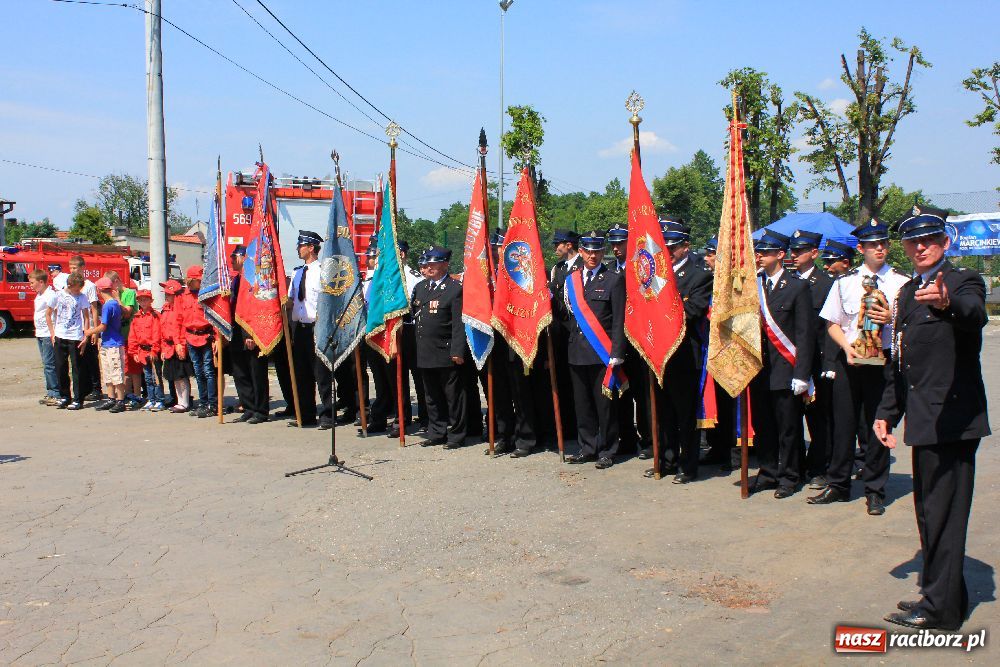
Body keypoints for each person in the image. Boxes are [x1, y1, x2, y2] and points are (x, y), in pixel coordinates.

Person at [873, 205, 990, 631]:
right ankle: (943, 596)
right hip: (923, 419)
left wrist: (946, 304)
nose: (920, 247)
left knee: (944, 515)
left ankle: (941, 610)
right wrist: (887, 412)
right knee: (929, 512)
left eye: (928, 240)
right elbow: (901, 359)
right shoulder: (907, 292)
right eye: (912, 241)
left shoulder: (962, 281)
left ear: (944, 242)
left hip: (952, 420)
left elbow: (974, 313)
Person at [809, 219, 909, 515]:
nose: (880, 248)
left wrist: (892, 318)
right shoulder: (845, 282)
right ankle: (838, 484)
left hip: (884, 361)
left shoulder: (901, 283)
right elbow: (832, 323)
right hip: (851, 360)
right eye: (873, 244)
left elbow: (910, 325)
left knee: (878, 425)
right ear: (862, 248)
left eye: (883, 243)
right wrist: (846, 347)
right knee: (843, 424)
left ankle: (875, 489)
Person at [646, 219, 713, 483]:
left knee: (685, 415)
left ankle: (688, 465)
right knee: (663, 413)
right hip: (659, 355)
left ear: (686, 246)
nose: (669, 252)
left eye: (673, 247)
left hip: (684, 354)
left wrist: (661, 312)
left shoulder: (699, 275)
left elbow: (693, 310)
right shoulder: (655, 274)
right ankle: (667, 460)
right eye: (665, 247)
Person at [749, 231, 814, 498]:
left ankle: (789, 475)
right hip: (759, 370)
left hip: (786, 369)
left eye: (766, 252)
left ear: (780, 254)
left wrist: (802, 373)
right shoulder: (753, 285)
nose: (760, 256)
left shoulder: (797, 286)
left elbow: (805, 334)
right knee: (763, 427)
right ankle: (768, 472)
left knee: (788, 428)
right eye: (759, 252)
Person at [563, 231, 626, 470]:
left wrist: (617, 352)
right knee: (583, 405)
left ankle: (607, 450)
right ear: (581, 252)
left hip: (602, 353)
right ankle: (587, 447)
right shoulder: (572, 279)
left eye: (597, 251)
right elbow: (567, 316)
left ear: (603, 252)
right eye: (588, 251)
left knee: (605, 406)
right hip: (577, 352)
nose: (593, 255)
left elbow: (618, 320)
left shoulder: (613, 279)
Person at [787, 230, 835, 488]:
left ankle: (819, 467)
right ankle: (795, 467)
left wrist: (829, 363)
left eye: (800, 251)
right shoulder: (787, 281)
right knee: (791, 418)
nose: (794, 255)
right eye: (792, 250)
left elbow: (830, 325)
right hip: (790, 359)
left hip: (817, 360)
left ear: (814, 253)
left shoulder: (827, 283)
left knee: (818, 418)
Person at [412, 246, 468, 449]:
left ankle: (457, 435)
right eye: (427, 263)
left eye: (433, 264)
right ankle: (437, 432)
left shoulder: (454, 288)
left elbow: (458, 324)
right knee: (431, 396)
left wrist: (457, 351)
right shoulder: (421, 287)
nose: (429, 267)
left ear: (445, 264)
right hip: (425, 350)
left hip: (446, 351)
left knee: (453, 396)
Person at [606, 223, 651, 460]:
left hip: (638, 342)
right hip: (616, 342)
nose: (616, 248)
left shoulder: (640, 268)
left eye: (620, 243)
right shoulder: (609, 271)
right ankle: (627, 438)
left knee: (642, 395)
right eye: (613, 244)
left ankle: (648, 439)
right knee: (620, 394)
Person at [287, 230, 329, 429]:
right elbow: (291, 301)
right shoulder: (296, 273)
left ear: (311, 248)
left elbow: (327, 302)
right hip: (300, 329)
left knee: (321, 374)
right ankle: (306, 414)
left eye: (301, 245)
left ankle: (327, 414)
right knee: (302, 374)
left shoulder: (322, 271)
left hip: (317, 328)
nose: (298, 248)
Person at [388, 239, 426, 438]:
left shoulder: (413, 277)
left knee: (419, 377)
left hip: (411, 330)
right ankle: (401, 417)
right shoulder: (387, 277)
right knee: (397, 377)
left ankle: (426, 417)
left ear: (402, 254)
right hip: (393, 331)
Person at [547, 229, 581, 440]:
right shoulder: (557, 269)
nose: (555, 248)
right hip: (560, 334)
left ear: (569, 245)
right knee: (563, 381)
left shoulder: (581, 266)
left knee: (577, 383)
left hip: (578, 331)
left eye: (558, 244)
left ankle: (579, 427)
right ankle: (567, 428)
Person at [177, 265, 217, 418]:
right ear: (191, 280)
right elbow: (179, 321)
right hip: (190, 337)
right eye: (198, 280)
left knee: (208, 371)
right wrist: (179, 342)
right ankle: (203, 403)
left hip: (206, 336)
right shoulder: (183, 297)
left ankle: (212, 404)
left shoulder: (206, 294)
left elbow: (215, 317)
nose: (200, 282)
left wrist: (216, 338)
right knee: (198, 372)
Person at [84, 276, 127, 413]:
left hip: (113, 343)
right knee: (108, 372)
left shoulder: (109, 305)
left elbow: (103, 326)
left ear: (100, 290)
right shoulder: (112, 303)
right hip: (108, 342)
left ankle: (120, 400)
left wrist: (90, 331)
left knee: (116, 372)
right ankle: (111, 398)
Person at [50, 272, 93, 410]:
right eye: (77, 289)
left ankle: (78, 398)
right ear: (70, 285)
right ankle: (64, 396)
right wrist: (52, 333)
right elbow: (48, 313)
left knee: (77, 368)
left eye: (80, 289)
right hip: (60, 335)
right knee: (60, 367)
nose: (78, 291)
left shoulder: (82, 297)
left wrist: (85, 336)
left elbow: (86, 317)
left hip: (75, 336)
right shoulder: (58, 295)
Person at [68, 255, 102, 401]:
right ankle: (85, 388)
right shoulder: (71, 285)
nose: (72, 270)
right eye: (70, 268)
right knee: (80, 360)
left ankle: (96, 388)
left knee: (91, 359)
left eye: (75, 268)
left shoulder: (89, 286)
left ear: (82, 268)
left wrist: (94, 330)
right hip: (77, 328)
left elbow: (94, 308)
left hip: (89, 327)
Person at [105, 270, 141, 408]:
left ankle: (137, 395)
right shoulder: (113, 295)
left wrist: (117, 300)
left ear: (116, 281)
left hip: (131, 335)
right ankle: (127, 393)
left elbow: (127, 313)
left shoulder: (129, 293)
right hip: (120, 336)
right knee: (124, 367)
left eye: (111, 285)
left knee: (134, 368)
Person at [159, 279, 194, 413]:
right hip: (168, 347)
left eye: (169, 294)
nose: (166, 296)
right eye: (166, 294)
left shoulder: (181, 309)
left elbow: (182, 329)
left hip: (178, 346)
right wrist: (163, 348)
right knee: (174, 376)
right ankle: (179, 401)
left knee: (181, 375)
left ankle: (185, 402)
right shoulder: (165, 309)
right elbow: (163, 330)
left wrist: (181, 345)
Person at [127, 289, 164, 411]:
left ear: (151, 301)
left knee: (156, 377)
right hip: (142, 351)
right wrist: (134, 352)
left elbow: (157, 334)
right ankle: (151, 399)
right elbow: (132, 336)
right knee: (148, 378)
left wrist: (155, 350)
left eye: (146, 299)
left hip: (153, 351)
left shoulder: (155, 316)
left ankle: (159, 400)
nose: (143, 302)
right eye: (141, 300)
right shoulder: (136, 317)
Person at [29, 269, 61, 406]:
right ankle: (50, 392)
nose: (30, 285)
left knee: (50, 364)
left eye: (32, 283)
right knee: (46, 363)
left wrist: (53, 333)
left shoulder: (50, 295)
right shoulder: (39, 295)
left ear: (41, 282)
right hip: (40, 333)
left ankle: (56, 393)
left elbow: (56, 313)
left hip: (48, 333)